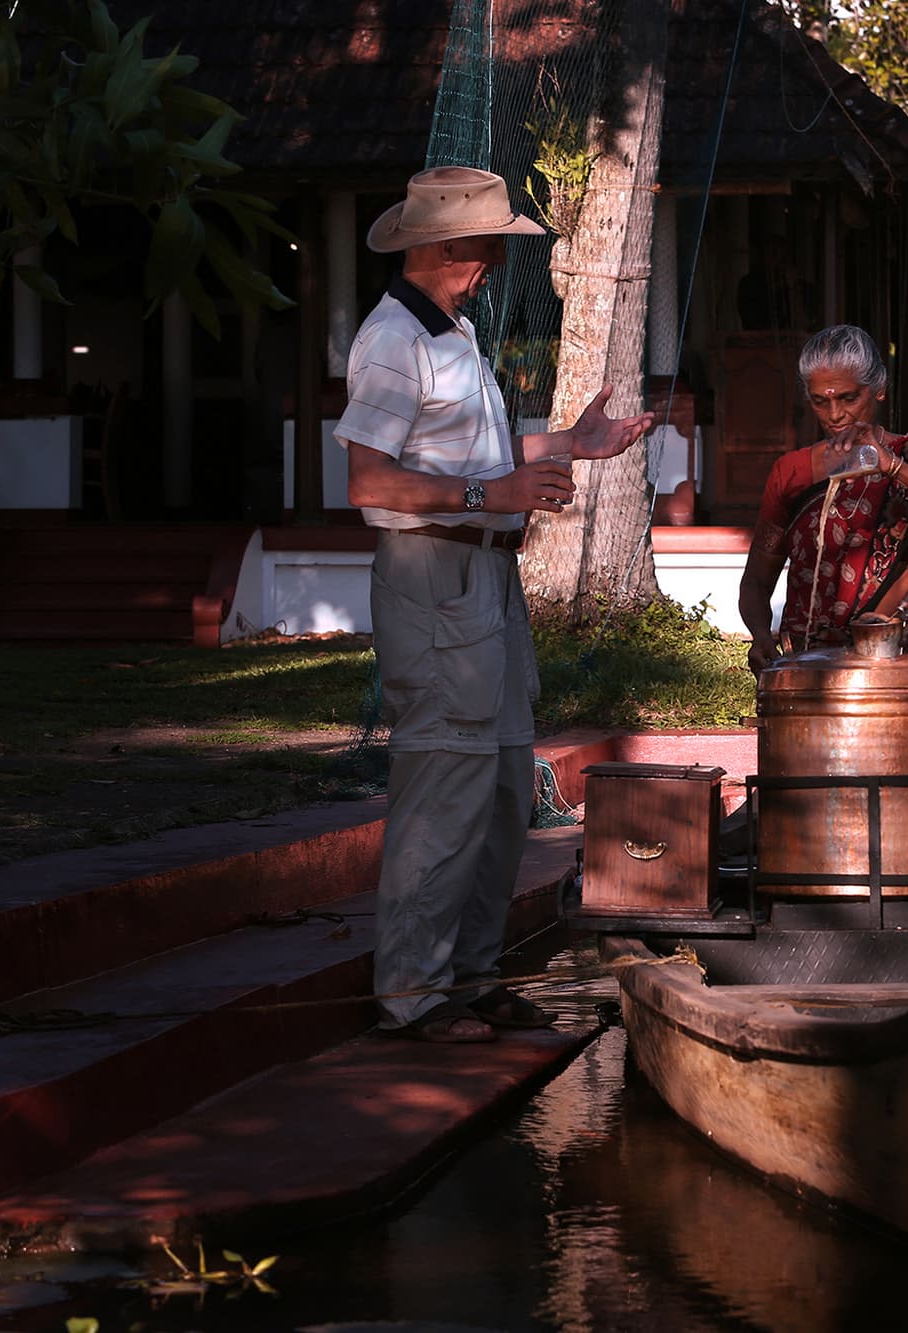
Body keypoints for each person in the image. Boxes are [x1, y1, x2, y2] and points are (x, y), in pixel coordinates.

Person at [338, 166, 655, 1043]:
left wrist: (571, 445)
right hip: (435, 576)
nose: (491, 261)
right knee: (444, 783)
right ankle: (411, 996)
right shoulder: (393, 338)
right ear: (443, 247)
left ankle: (470, 977)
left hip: (488, 580)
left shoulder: (455, 331)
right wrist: (495, 493)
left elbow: (469, 450)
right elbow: (369, 478)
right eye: (485, 245)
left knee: (506, 782)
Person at [739, 325, 908, 671]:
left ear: (879, 390)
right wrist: (759, 635)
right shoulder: (793, 471)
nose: (835, 415)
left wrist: (892, 466)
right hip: (809, 668)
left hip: (898, 657)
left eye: (848, 398)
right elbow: (756, 579)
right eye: (820, 401)